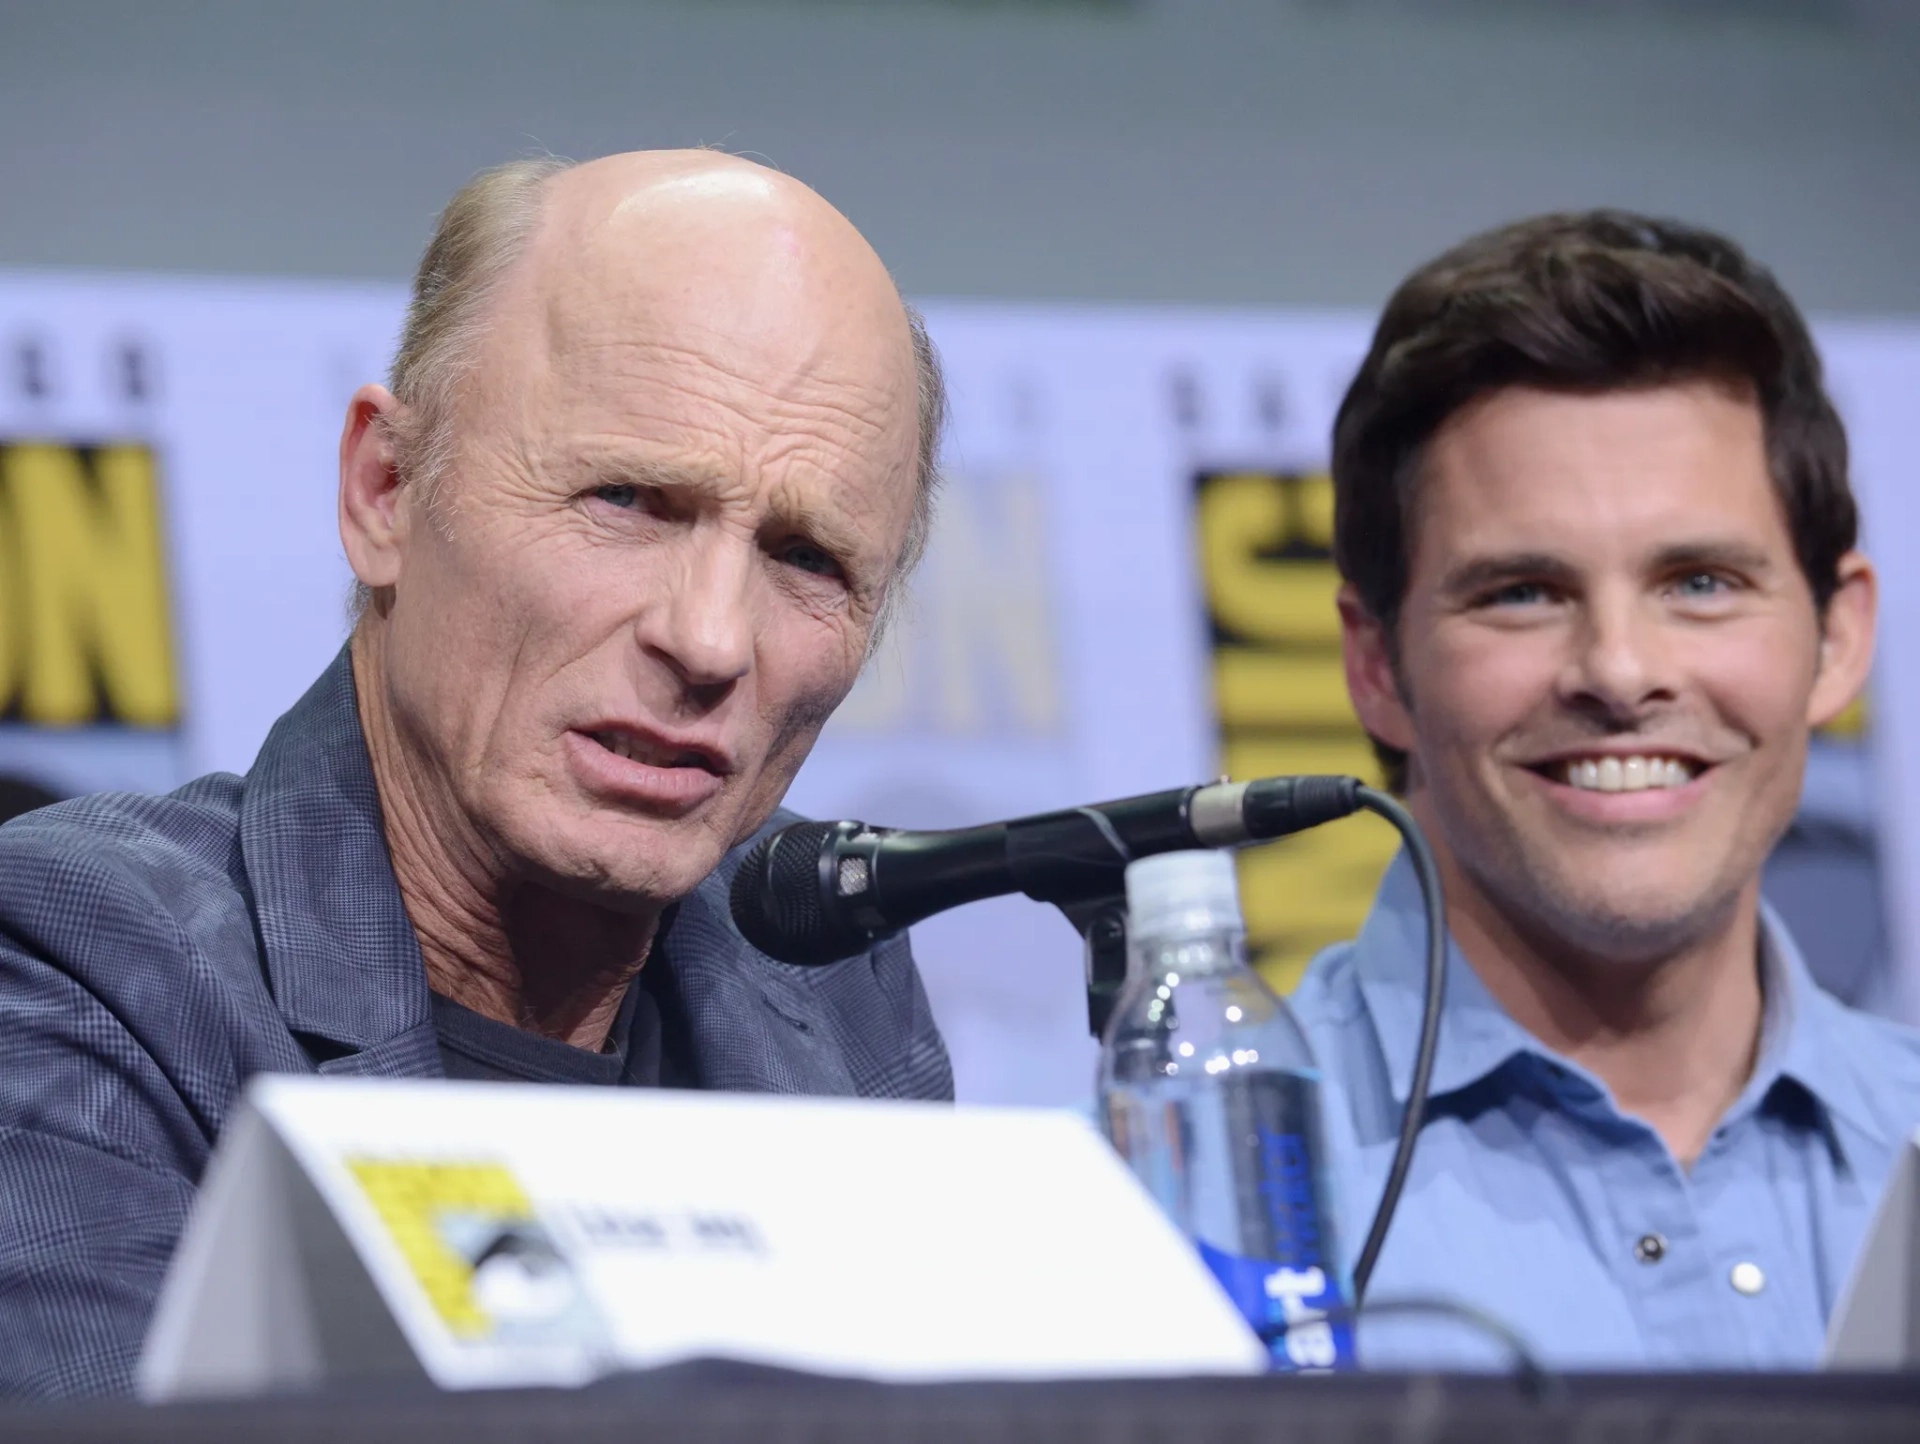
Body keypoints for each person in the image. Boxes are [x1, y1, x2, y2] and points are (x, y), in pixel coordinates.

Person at [0, 150, 952, 1398]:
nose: (713, 639)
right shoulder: (78, 958)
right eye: (628, 499)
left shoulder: (836, 984)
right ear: (386, 488)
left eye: (807, 558)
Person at [1295, 209, 1920, 1370]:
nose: (1622, 672)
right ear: (1377, 663)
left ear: (1839, 636)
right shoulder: (1190, 1198)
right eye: (1522, 592)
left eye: (1701, 582)